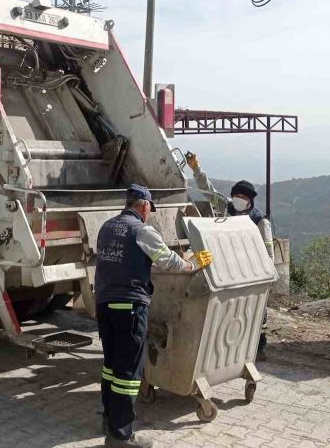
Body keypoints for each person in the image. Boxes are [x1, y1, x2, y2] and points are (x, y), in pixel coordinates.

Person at [95, 184, 213, 448]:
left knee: (112, 366)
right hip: (129, 308)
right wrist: (193, 264)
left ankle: (109, 419)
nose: (150, 213)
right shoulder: (142, 231)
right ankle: (121, 436)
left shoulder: (107, 227)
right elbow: (168, 261)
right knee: (128, 374)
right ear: (144, 205)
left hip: (105, 306)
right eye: (150, 209)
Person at [227, 179, 274, 360]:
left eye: (242, 197)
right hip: (232, 270)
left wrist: (267, 278)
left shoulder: (260, 220)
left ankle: (259, 347)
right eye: (236, 196)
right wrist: (197, 170)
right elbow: (207, 190)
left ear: (250, 199)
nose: (238, 199)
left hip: (254, 272)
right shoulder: (229, 211)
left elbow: (269, 251)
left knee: (258, 310)